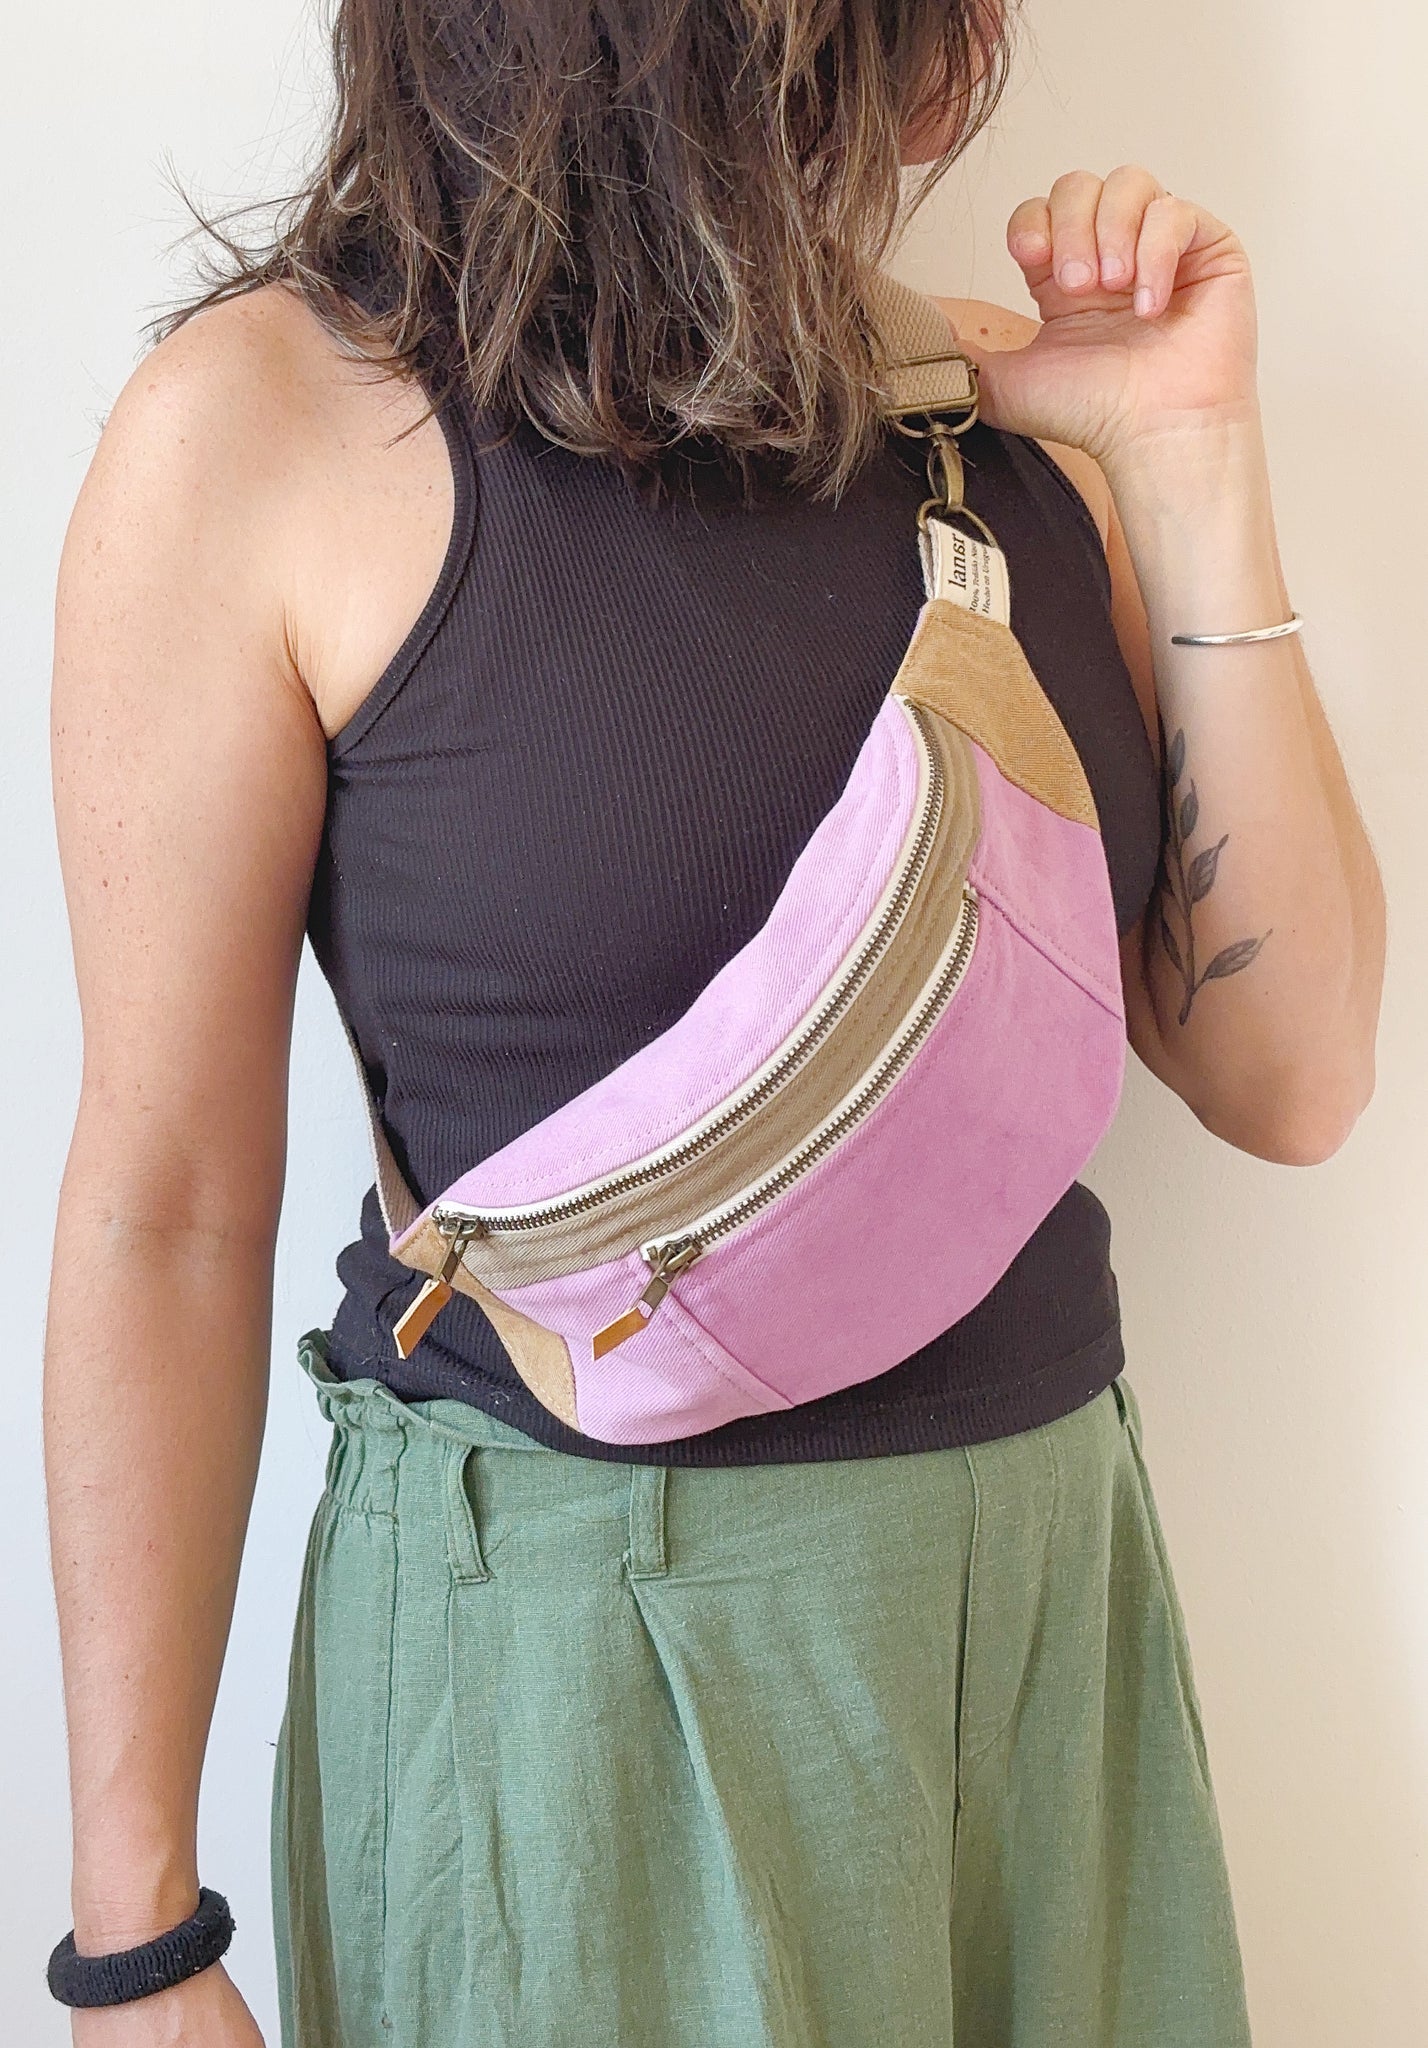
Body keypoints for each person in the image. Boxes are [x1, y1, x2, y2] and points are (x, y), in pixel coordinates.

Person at [43, 0, 1384, 2041]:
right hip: (578, 1669)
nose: (968, 56)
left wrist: (1192, 461)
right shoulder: (267, 429)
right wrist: (134, 1934)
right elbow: (169, 1208)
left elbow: (1296, 1078)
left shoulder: (993, 413)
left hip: (1049, 1613)